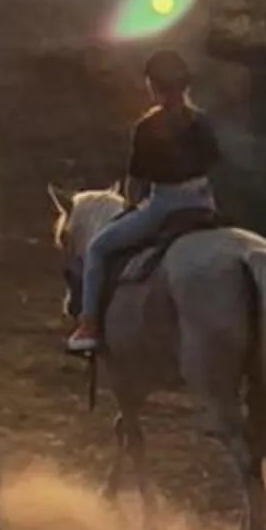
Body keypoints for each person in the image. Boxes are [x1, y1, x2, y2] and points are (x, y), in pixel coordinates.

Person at [65, 47, 221, 356]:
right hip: (204, 203)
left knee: (97, 248)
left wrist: (131, 207)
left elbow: (136, 182)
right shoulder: (202, 122)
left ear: (153, 85)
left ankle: (89, 326)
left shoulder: (148, 127)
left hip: (164, 204)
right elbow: (214, 162)